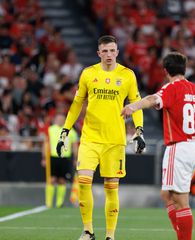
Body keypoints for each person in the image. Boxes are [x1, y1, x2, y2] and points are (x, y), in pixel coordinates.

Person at [121, 52, 195, 240]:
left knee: (181, 201)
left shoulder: (170, 89)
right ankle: (180, 234)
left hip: (178, 148)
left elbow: (152, 99)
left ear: (165, 71)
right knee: (167, 194)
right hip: (193, 148)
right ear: (185, 69)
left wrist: (134, 106)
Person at [56, 35, 145, 240]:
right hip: (90, 138)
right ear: (99, 53)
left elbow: (136, 104)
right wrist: (65, 131)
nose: (108, 55)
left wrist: (139, 131)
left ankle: (110, 235)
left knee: (111, 188)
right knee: (84, 181)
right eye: (104, 51)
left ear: (117, 52)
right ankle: (88, 230)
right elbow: (77, 104)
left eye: (112, 50)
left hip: (115, 140)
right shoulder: (88, 73)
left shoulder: (128, 75)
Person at [43, 113, 78, 208]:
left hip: (65, 158)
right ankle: (48, 203)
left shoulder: (71, 131)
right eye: (58, 119)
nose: (59, 120)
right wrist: (44, 158)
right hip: (53, 157)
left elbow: (74, 146)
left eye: (61, 119)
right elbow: (46, 143)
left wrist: (75, 158)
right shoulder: (51, 129)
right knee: (51, 179)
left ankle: (59, 203)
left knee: (62, 180)